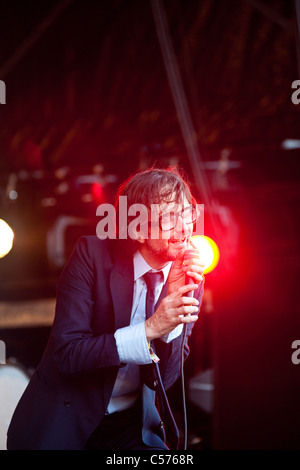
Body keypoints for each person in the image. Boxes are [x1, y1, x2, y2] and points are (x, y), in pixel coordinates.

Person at [7, 167, 205, 450]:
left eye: (188, 214)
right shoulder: (91, 255)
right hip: (63, 421)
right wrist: (150, 329)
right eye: (170, 217)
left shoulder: (188, 276)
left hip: (129, 426)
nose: (185, 227)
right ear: (137, 228)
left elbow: (166, 379)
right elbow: (68, 354)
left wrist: (170, 329)